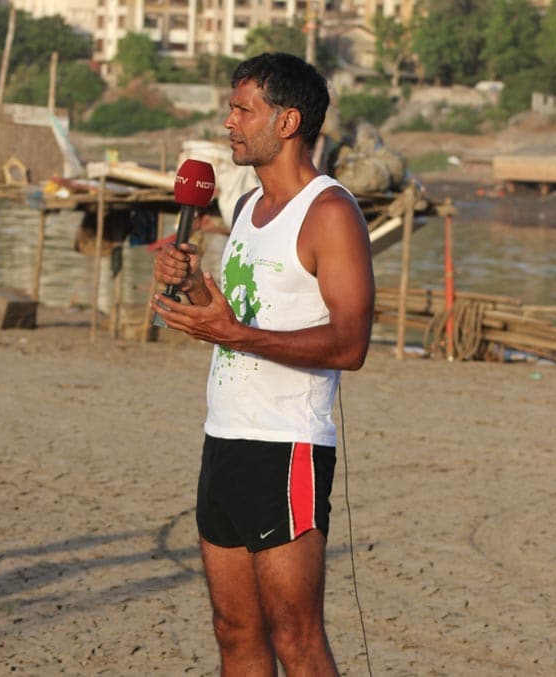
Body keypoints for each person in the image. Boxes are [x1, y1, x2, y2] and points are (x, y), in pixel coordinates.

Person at [152, 52, 375, 676]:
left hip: (288, 446)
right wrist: (194, 285)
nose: (228, 122)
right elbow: (239, 315)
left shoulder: (330, 212)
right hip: (224, 437)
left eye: (242, 109)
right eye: (231, 107)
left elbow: (350, 344)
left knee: (296, 637)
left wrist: (234, 334)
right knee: (234, 630)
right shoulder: (247, 206)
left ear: (287, 121)